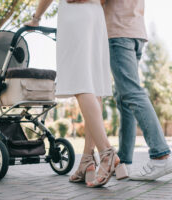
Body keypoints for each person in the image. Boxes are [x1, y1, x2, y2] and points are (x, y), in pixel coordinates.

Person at [24, 0, 128, 188]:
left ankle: (107, 153)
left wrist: (36, 18)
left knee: (80, 82)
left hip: (75, 15)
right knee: (92, 85)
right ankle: (87, 160)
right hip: (96, 15)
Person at [69, 0, 172, 181]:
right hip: (136, 32)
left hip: (118, 31)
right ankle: (124, 161)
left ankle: (160, 155)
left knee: (132, 93)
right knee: (124, 98)